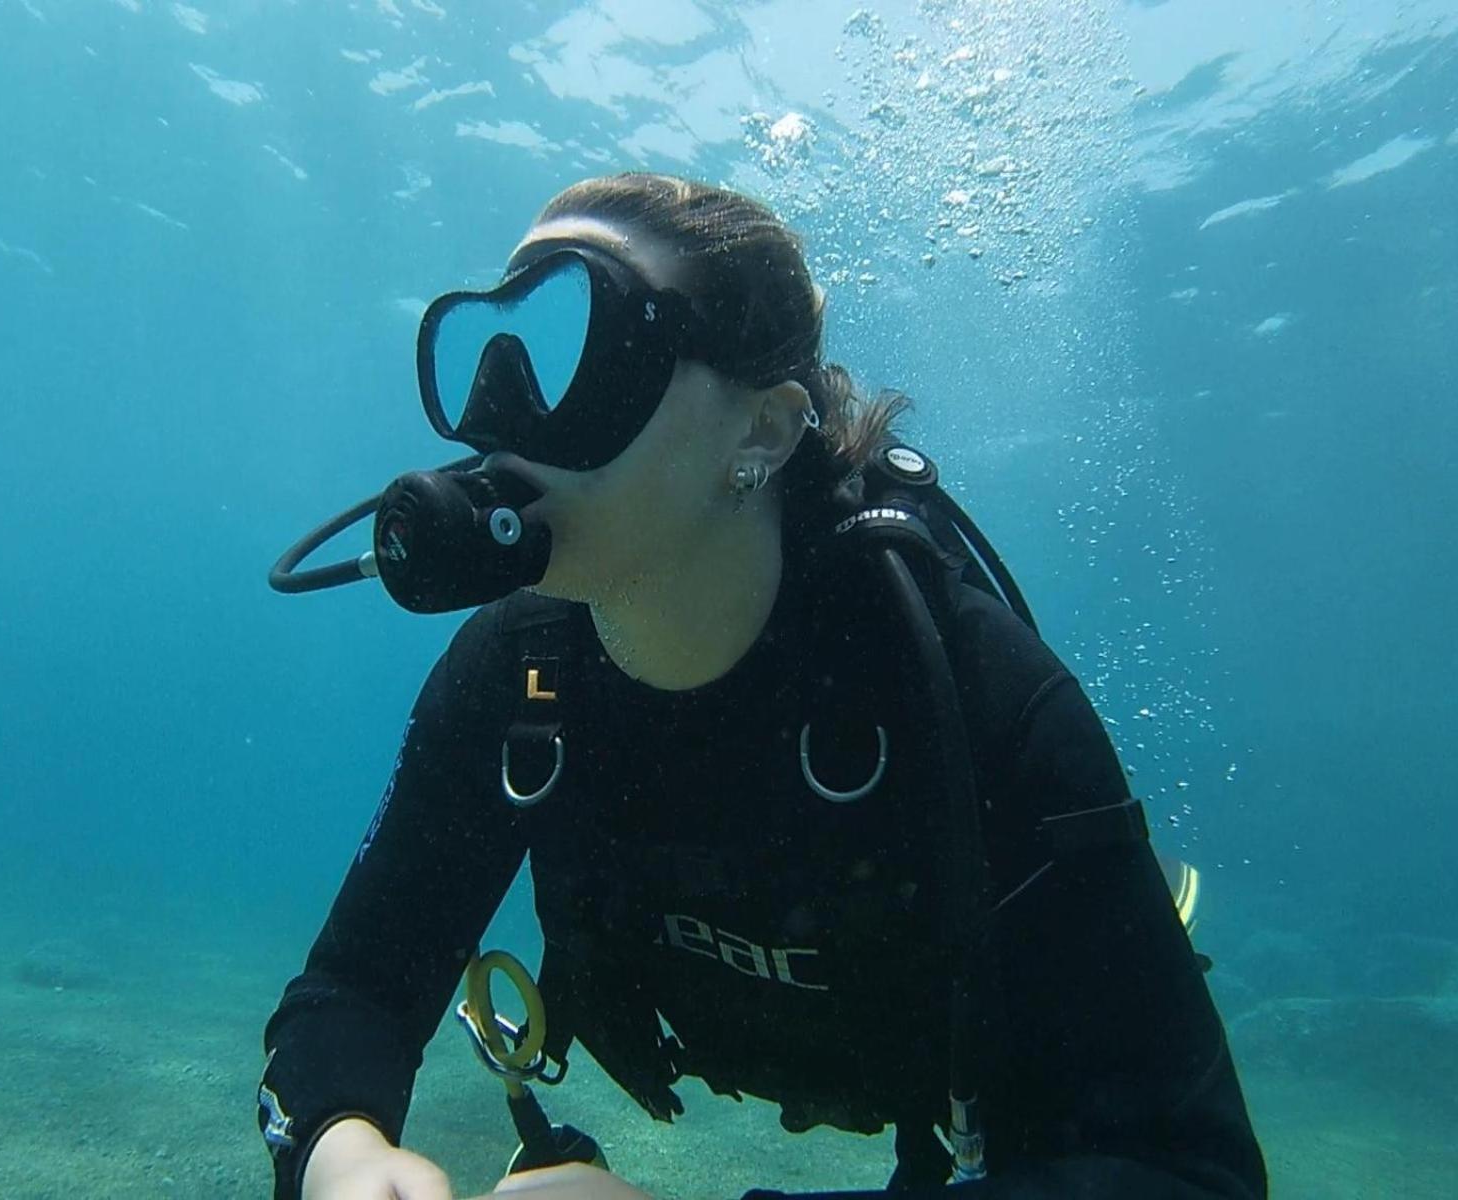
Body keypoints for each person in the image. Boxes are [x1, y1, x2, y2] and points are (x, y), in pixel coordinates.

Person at [258, 172, 1268, 1200]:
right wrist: (346, 1155)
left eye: (582, 338)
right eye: (492, 353)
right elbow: (355, 986)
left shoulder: (967, 690)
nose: (503, 418)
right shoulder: (514, 678)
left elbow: (1188, 1174)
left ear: (762, 432)